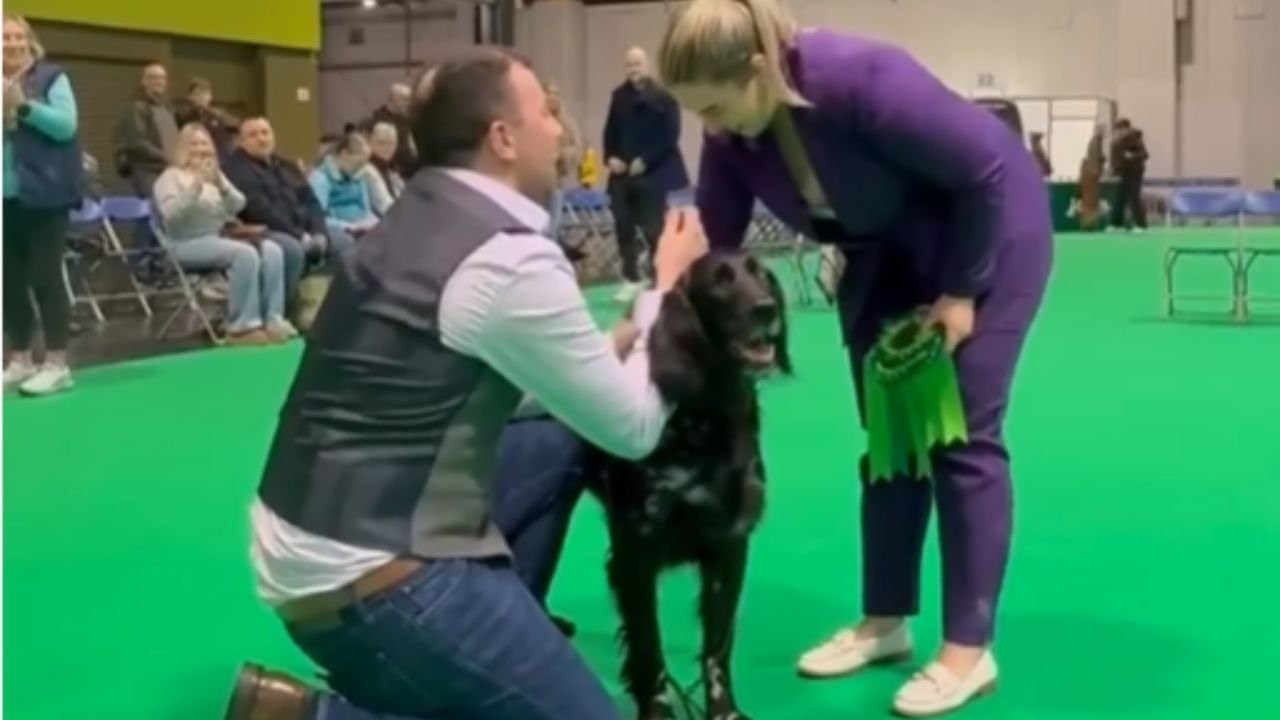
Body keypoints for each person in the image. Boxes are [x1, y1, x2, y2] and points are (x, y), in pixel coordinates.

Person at [224, 47, 707, 720]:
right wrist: (665, 288)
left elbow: (504, 387)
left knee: (561, 439)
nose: (560, 130)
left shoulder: (416, 213)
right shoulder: (508, 257)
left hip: (309, 534)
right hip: (368, 579)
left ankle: (496, 644)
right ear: (503, 138)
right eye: (545, 112)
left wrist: (608, 346)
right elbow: (633, 428)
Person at [658, 0, 1053, 715]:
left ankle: (968, 650)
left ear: (757, 70)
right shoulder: (730, 133)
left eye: (713, 106)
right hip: (881, 255)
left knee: (960, 435)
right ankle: (885, 621)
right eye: (695, 114)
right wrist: (668, 312)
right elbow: (718, 248)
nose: (708, 125)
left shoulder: (864, 78)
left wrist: (962, 292)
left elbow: (985, 174)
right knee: (890, 439)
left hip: (985, 236)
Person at [153, 124, 293, 345]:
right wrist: (196, 187)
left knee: (272, 250)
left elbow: (239, 204)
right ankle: (242, 326)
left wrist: (220, 184)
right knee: (244, 254)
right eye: (194, 144)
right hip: (183, 243)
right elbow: (170, 215)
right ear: (183, 148)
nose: (201, 149)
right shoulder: (170, 178)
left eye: (204, 143)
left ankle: (273, 320)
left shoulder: (215, 176)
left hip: (216, 238)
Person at [2, 13, 82, 396]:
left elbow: (66, 126)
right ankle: (19, 360)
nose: (12, 44)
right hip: (6, 198)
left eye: (18, 36)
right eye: (4, 38)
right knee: (9, 282)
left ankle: (56, 363)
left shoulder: (51, 78)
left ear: (30, 41)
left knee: (45, 278)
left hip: (45, 195)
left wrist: (24, 108)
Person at [603, 47, 689, 302]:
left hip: (653, 173)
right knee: (623, 225)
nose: (633, 69)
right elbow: (610, 132)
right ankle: (631, 278)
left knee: (653, 229)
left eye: (637, 64)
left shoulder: (664, 98)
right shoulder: (618, 97)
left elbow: (671, 135)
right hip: (622, 175)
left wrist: (646, 160)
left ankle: (658, 277)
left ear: (647, 65)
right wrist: (611, 157)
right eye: (629, 64)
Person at [308, 130, 379, 240]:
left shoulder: (358, 176)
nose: (361, 168)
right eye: (359, 163)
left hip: (362, 227)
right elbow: (318, 218)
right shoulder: (320, 178)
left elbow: (366, 210)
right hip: (341, 230)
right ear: (345, 154)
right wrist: (349, 227)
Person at [1109, 118, 1149, 232]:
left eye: (1120, 129)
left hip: (1134, 172)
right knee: (1120, 197)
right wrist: (1114, 169)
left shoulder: (1134, 138)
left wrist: (1132, 155)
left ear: (1126, 128)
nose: (1118, 132)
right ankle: (1117, 224)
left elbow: (1144, 154)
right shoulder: (1118, 140)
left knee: (1134, 197)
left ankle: (1141, 224)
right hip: (1124, 172)